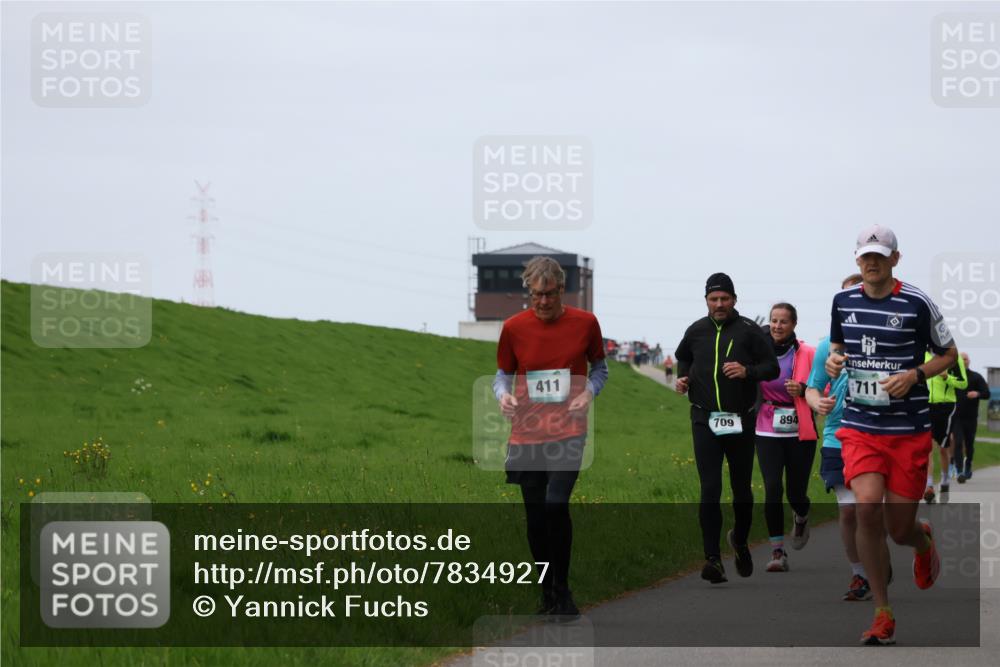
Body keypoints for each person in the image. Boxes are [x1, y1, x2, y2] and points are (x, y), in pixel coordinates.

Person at [825, 225, 955, 645]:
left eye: (881, 255)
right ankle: (882, 612)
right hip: (861, 428)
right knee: (865, 508)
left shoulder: (917, 303)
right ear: (857, 259)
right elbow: (839, 349)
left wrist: (914, 374)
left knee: (899, 529)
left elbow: (948, 355)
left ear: (895, 259)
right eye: (866, 256)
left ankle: (921, 541)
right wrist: (834, 362)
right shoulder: (842, 301)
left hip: (908, 431)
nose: (873, 262)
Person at [493, 256, 608, 620]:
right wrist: (503, 395)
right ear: (529, 292)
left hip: (568, 430)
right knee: (535, 516)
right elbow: (502, 374)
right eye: (536, 295)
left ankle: (563, 589)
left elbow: (600, 368)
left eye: (550, 294)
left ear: (562, 290)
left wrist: (589, 392)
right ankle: (546, 591)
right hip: (526, 433)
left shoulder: (585, 323)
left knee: (555, 504)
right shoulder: (513, 328)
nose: (543, 302)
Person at [675, 272, 779, 583]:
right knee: (709, 488)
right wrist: (683, 378)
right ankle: (712, 559)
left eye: (724, 298)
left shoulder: (748, 330)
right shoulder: (696, 331)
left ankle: (741, 541)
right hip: (704, 418)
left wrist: (747, 370)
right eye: (713, 299)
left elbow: (771, 368)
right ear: (706, 301)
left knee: (741, 489)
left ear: (734, 299)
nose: (719, 304)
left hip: (740, 419)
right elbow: (683, 358)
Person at [807, 273, 894, 601]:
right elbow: (811, 388)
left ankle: (877, 556)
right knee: (848, 511)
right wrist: (820, 402)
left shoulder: (887, 342)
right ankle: (859, 574)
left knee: (871, 511)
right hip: (837, 437)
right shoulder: (826, 347)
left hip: (878, 436)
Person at [755, 303, 818, 572]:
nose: (777, 326)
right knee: (772, 487)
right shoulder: (758, 351)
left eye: (783, 321)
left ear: (794, 325)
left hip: (799, 427)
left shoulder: (807, 353)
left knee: (795, 492)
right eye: (773, 320)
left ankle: (802, 515)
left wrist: (803, 389)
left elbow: (823, 385)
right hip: (766, 425)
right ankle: (777, 551)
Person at [923, 349, 967, 501]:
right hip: (926, 404)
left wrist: (947, 377)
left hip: (946, 406)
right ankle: (928, 485)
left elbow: (963, 383)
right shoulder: (923, 355)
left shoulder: (953, 357)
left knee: (943, 447)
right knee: (927, 446)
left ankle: (945, 479)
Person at [955, 353, 992, 482]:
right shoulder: (953, 377)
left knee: (969, 444)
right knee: (958, 443)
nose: (963, 361)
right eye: (961, 359)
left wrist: (977, 394)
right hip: (956, 417)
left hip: (971, 417)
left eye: (965, 359)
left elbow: (987, 394)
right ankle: (959, 471)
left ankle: (968, 465)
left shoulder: (976, 377)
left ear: (969, 361)